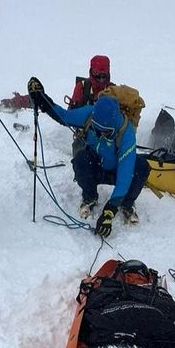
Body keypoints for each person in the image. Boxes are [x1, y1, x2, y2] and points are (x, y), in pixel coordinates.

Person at [28, 76, 148, 236]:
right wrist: (43, 99)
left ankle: (126, 203)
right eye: (96, 130)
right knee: (80, 159)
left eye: (105, 132)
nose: (99, 134)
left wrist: (109, 211)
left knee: (141, 166)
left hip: (117, 170)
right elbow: (64, 117)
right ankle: (90, 196)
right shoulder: (90, 114)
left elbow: (125, 175)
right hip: (96, 166)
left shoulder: (127, 134)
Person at [67, 55, 113, 159]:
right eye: (98, 76)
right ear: (92, 72)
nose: (101, 80)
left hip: (107, 138)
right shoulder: (83, 87)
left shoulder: (113, 90)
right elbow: (71, 114)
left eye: (104, 76)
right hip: (84, 137)